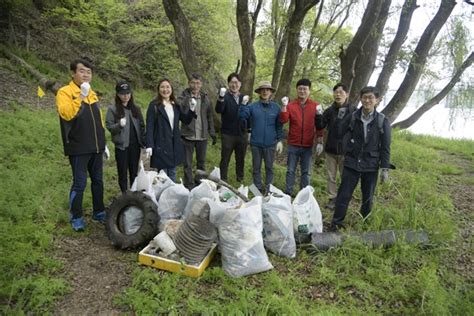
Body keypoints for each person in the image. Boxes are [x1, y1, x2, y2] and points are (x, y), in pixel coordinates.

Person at [56, 57, 109, 231]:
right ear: (73, 73)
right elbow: (66, 114)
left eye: (88, 72)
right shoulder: (65, 92)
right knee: (79, 183)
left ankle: (99, 211)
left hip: (96, 146)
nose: (86, 75)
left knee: (98, 181)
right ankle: (76, 216)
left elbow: (98, 120)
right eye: (81, 71)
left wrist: (103, 142)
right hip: (78, 146)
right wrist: (81, 96)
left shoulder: (92, 93)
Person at [331, 86, 392, 230]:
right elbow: (339, 133)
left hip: (371, 164)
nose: (367, 100)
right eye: (364, 97)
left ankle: (364, 223)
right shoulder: (353, 116)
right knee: (343, 195)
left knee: (368, 197)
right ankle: (336, 223)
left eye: (371, 97)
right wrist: (340, 119)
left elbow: (385, 146)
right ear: (360, 99)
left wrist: (385, 168)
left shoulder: (382, 121)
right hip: (351, 162)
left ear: (376, 100)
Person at [279, 78, 324, 196]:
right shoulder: (291, 105)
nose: (302, 91)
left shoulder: (315, 106)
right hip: (293, 143)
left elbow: (320, 126)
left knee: (306, 172)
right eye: (300, 89)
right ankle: (288, 192)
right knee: (290, 170)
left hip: (308, 145)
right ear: (297, 90)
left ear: (309, 90)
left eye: (305, 89)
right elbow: (283, 120)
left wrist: (320, 141)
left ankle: (304, 194)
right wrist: (284, 107)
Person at [145, 78, 196, 181]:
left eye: (167, 87)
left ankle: (171, 194)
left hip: (173, 144)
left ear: (171, 89)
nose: (165, 90)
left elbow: (185, 120)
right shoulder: (154, 105)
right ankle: (162, 195)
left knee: (172, 173)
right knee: (162, 176)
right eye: (162, 87)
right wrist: (149, 145)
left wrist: (192, 109)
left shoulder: (175, 105)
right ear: (158, 89)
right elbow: (149, 126)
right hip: (160, 144)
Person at [316, 83, 355, 210]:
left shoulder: (353, 111)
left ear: (347, 94)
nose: (338, 95)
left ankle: (343, 200)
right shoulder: (330, 110)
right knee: (331, 176)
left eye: (341, 92)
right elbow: (320, 126)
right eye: (336, 92)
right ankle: (332, 198)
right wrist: (318, 115)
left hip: (346, 151)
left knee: (345, 176)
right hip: (331, 149)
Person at [239, 81, 283, 194]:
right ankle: (257, 189)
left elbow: (279, 125)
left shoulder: (276, 108)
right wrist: (243, 105)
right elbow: (242, 117)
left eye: (267, 89)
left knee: (269, 168)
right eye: (262, 90)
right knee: (256, 168)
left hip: (270, 144)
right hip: (256, 143)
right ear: (259, 92)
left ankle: (269, 189)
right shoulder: (252, 106)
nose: (265, 91)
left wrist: (280, 140)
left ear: (271, 92)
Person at [177, 73, 216, 190]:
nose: (195, 86)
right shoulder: (183, 96)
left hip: (202, 136)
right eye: (193, 83)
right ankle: (188, 185)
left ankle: (199, 184)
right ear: (189, 83)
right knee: (187, 164)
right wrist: (189, 100)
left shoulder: (206, 98)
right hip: (187, 135)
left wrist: (212, 131)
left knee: (201, 163)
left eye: (198, 83)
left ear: (201, 84)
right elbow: (179, 107)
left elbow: (209, 116)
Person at [106, 81, 146, 193]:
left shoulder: (136, 109)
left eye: (128, 93)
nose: (126, 96)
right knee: (122, 172)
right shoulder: (112, 110)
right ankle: (124, 194)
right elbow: (109, 126)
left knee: (134, 171)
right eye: (123, 93)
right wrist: (119, 125)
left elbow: (142, 126)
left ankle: (133, 193)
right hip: (122, 146)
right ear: (118, 94)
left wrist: (144, 142)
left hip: (135, 146)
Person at [215, 73, 250, 183]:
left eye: (236, 82)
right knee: (225, 158)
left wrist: (249, 130)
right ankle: (223, 180)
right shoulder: (225, 96)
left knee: (240, 159)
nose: (234, 85)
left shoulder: (244, 98)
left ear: (240, 84)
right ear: (228, 84)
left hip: (241, 134)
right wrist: (221, 97)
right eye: (232, 82)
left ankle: (240, 179)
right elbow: (219, 110)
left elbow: (249, 115)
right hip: (228, 134)